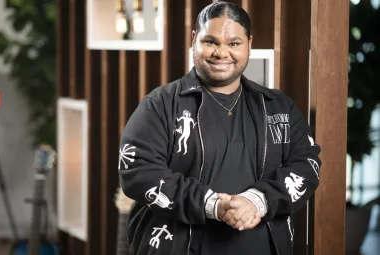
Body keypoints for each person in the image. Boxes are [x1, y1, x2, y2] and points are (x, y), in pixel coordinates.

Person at [118, 2, 321, 255]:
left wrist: (257, 201)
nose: (221, 53)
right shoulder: (161, 105)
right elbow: (138, 171)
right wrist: (213, 205)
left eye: (234, 43)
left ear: (249, 44)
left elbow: (307, 164)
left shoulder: (278, 107)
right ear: (194, 40)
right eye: (211, 42)